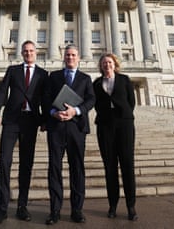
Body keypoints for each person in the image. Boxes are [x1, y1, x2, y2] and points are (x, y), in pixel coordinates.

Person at [0, 40, 48, 226]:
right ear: (21, 53)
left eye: (31, 51)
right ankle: (2, 209)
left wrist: (46, 120)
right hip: (11, 120)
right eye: (25, 51)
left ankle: (22, 206)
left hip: (31, 122)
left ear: (36, 53)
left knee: (26, 165)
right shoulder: (12, 70)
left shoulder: (42, 74)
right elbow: (2, 92)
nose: (28, 53)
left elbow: (45, 99)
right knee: (4, 162)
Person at [44, 44, 95, 225]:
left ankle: (77, 210)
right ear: (63, 57)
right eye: (67, 55)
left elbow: (91, 100)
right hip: (56, 127)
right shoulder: (54, 76)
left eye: (73, 55)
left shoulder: (86, 78)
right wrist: (52, 113)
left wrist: (77, 111)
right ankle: (55, 210)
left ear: (78, 57)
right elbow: (46, 98)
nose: (70, 58)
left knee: (77, 169)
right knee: (54, 169)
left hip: (76, 128)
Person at [92, 53, 138, 221]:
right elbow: (95, 103)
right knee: (109, 167)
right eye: (104, 63)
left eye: (109, 62)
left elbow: (131, 101)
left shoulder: (124, 79)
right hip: (105, 125)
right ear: (101, 66)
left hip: (124, 124)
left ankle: (131, 206)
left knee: (127, 165)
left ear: (115, 64)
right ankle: (112, 205)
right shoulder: (96, 83)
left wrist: (122, 114)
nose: (107, 65)